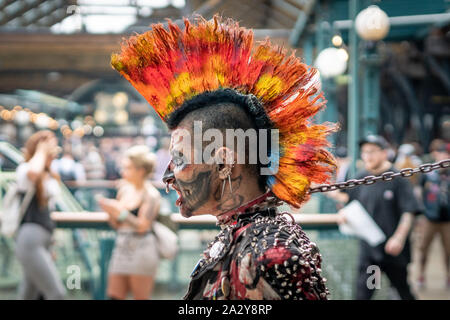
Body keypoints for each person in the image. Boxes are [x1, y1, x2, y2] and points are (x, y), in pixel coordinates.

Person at [111, 16, 337, 300]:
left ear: (223, 163)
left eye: (179, 159)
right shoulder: (247, 235)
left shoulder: (271, 255)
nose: (168, 176)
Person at [331, 135, 421, 300]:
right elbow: (350, 201)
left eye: (372, 151)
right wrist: (344, 213)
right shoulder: (361, 177)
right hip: (371, 252)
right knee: (365, 293)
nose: (367, 156)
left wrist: (399, 238)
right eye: (364, 152)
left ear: (384, 153)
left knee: (402, 291)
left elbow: (409, 210)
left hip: (394, 251)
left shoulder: (397, 178)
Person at [97, 145, 161, 300]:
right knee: (114, 295)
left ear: (140, 171)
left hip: (142, 249)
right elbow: (118, 225)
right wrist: (111, 212)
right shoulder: (124, 190)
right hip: (121, 247)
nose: (123, 171)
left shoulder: (151, 195)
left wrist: (120, 212)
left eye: (128, 168)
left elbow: (142, 227)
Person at [14, 130, 66, 300]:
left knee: (30, 294)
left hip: (42, 239)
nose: (53, 152)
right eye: (50, 149)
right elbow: (33, 173)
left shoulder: (48, 175)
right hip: (29, 238)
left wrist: (51, 245)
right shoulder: (25, 169)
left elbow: (49, 212)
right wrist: (42, 151)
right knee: (56, 293)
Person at [417, 140, 449, 289]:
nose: (443, 157)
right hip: (430, 217)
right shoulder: (429, 172)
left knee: (448, 251)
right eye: (441, 153)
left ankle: (448, 278)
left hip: (447, 219)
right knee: (423, 248)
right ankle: (421, 276)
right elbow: (419, 191)